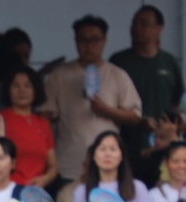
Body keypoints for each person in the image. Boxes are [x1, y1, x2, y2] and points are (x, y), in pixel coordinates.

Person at [43, 16, 142, 186]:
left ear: (104, 41)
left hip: (107, 164)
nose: (89, 45)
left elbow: (135, 116)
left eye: (94, 40)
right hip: (69, 161)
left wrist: (106, 110)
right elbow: (46, 116)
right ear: (75, 41)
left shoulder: (117, 75)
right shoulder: (60, 75)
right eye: (83, 40)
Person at [111, 4, 185, 151]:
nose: (137, 28)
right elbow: (110, 104)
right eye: (134, 23)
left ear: (159, 29)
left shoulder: (169, 62)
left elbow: (178, 104)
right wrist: (139, 120)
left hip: (162, 145)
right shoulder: (118, 61)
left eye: (144, 24)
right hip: (125, 144)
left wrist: (172, 128)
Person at [0, 67, 57, 191]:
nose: (22, 90)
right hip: (5, 192)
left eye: (28, 86)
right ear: (8, 90)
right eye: (16, 86)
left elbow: (53, 166)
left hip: (35, 195)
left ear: (35, 90)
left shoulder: (43, 123)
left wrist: (44, 179)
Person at [66, 130, 145, 202]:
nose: (107, 154)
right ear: (94, 156)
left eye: (113, 149)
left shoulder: (137, 187)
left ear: (121, 156)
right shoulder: (82, 190)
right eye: (102, 149)